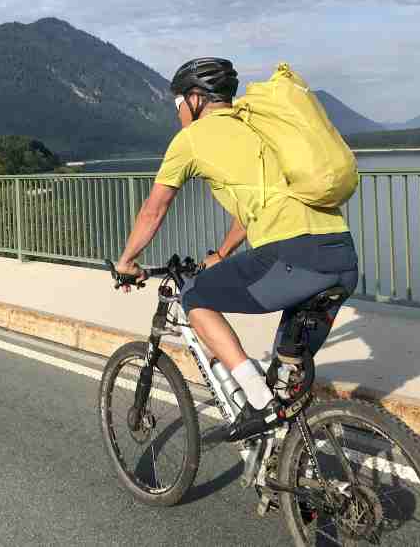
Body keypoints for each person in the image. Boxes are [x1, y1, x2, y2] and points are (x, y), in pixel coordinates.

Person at [115, 57, 359, 442]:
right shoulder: (258, 125)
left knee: (195, 296)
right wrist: (224, 252)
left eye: (178, 104)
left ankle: (257, 399)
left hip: (292, 257)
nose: (177, 113)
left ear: (195, 100)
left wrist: (127, 261)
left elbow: (155, 208)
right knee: (287, 383)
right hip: (340, 256)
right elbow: (254, 207)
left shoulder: (190, 140)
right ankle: (300, 470)